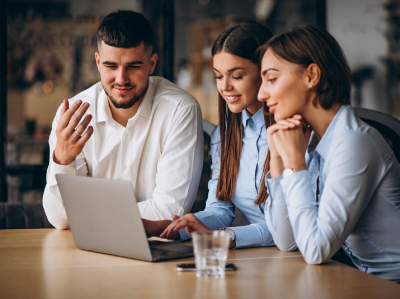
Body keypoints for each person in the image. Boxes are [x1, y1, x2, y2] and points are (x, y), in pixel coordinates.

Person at [258, 24, 400, 282]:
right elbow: (287, 241)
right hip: (360, 281)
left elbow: (315, 249)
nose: (261, 93)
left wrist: (295, 164)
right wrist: (278, 161)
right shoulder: (311, 140)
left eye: (271, 79)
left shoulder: (354, 142)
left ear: (311, 75)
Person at [43, 10, 203, 229]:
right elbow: (60, 219)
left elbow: (169, 212)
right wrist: (63, 160)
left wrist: (85, 215)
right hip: (86, 251)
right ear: (98, 62)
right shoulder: (71, 116)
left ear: (152, 63)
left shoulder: (180, 110)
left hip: (156, 251)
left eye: (133, 66)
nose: (121, 79)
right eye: (111, 66)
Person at [145, 22, 276, 249]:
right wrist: (171, 229)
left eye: (236, 76)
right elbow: (220, 209)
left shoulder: (294, 133)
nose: (224, 87)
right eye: (218, 76)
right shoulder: (224, 136)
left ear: (266, 72)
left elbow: (289, 230)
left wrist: (226, 237)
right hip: (267, 258)